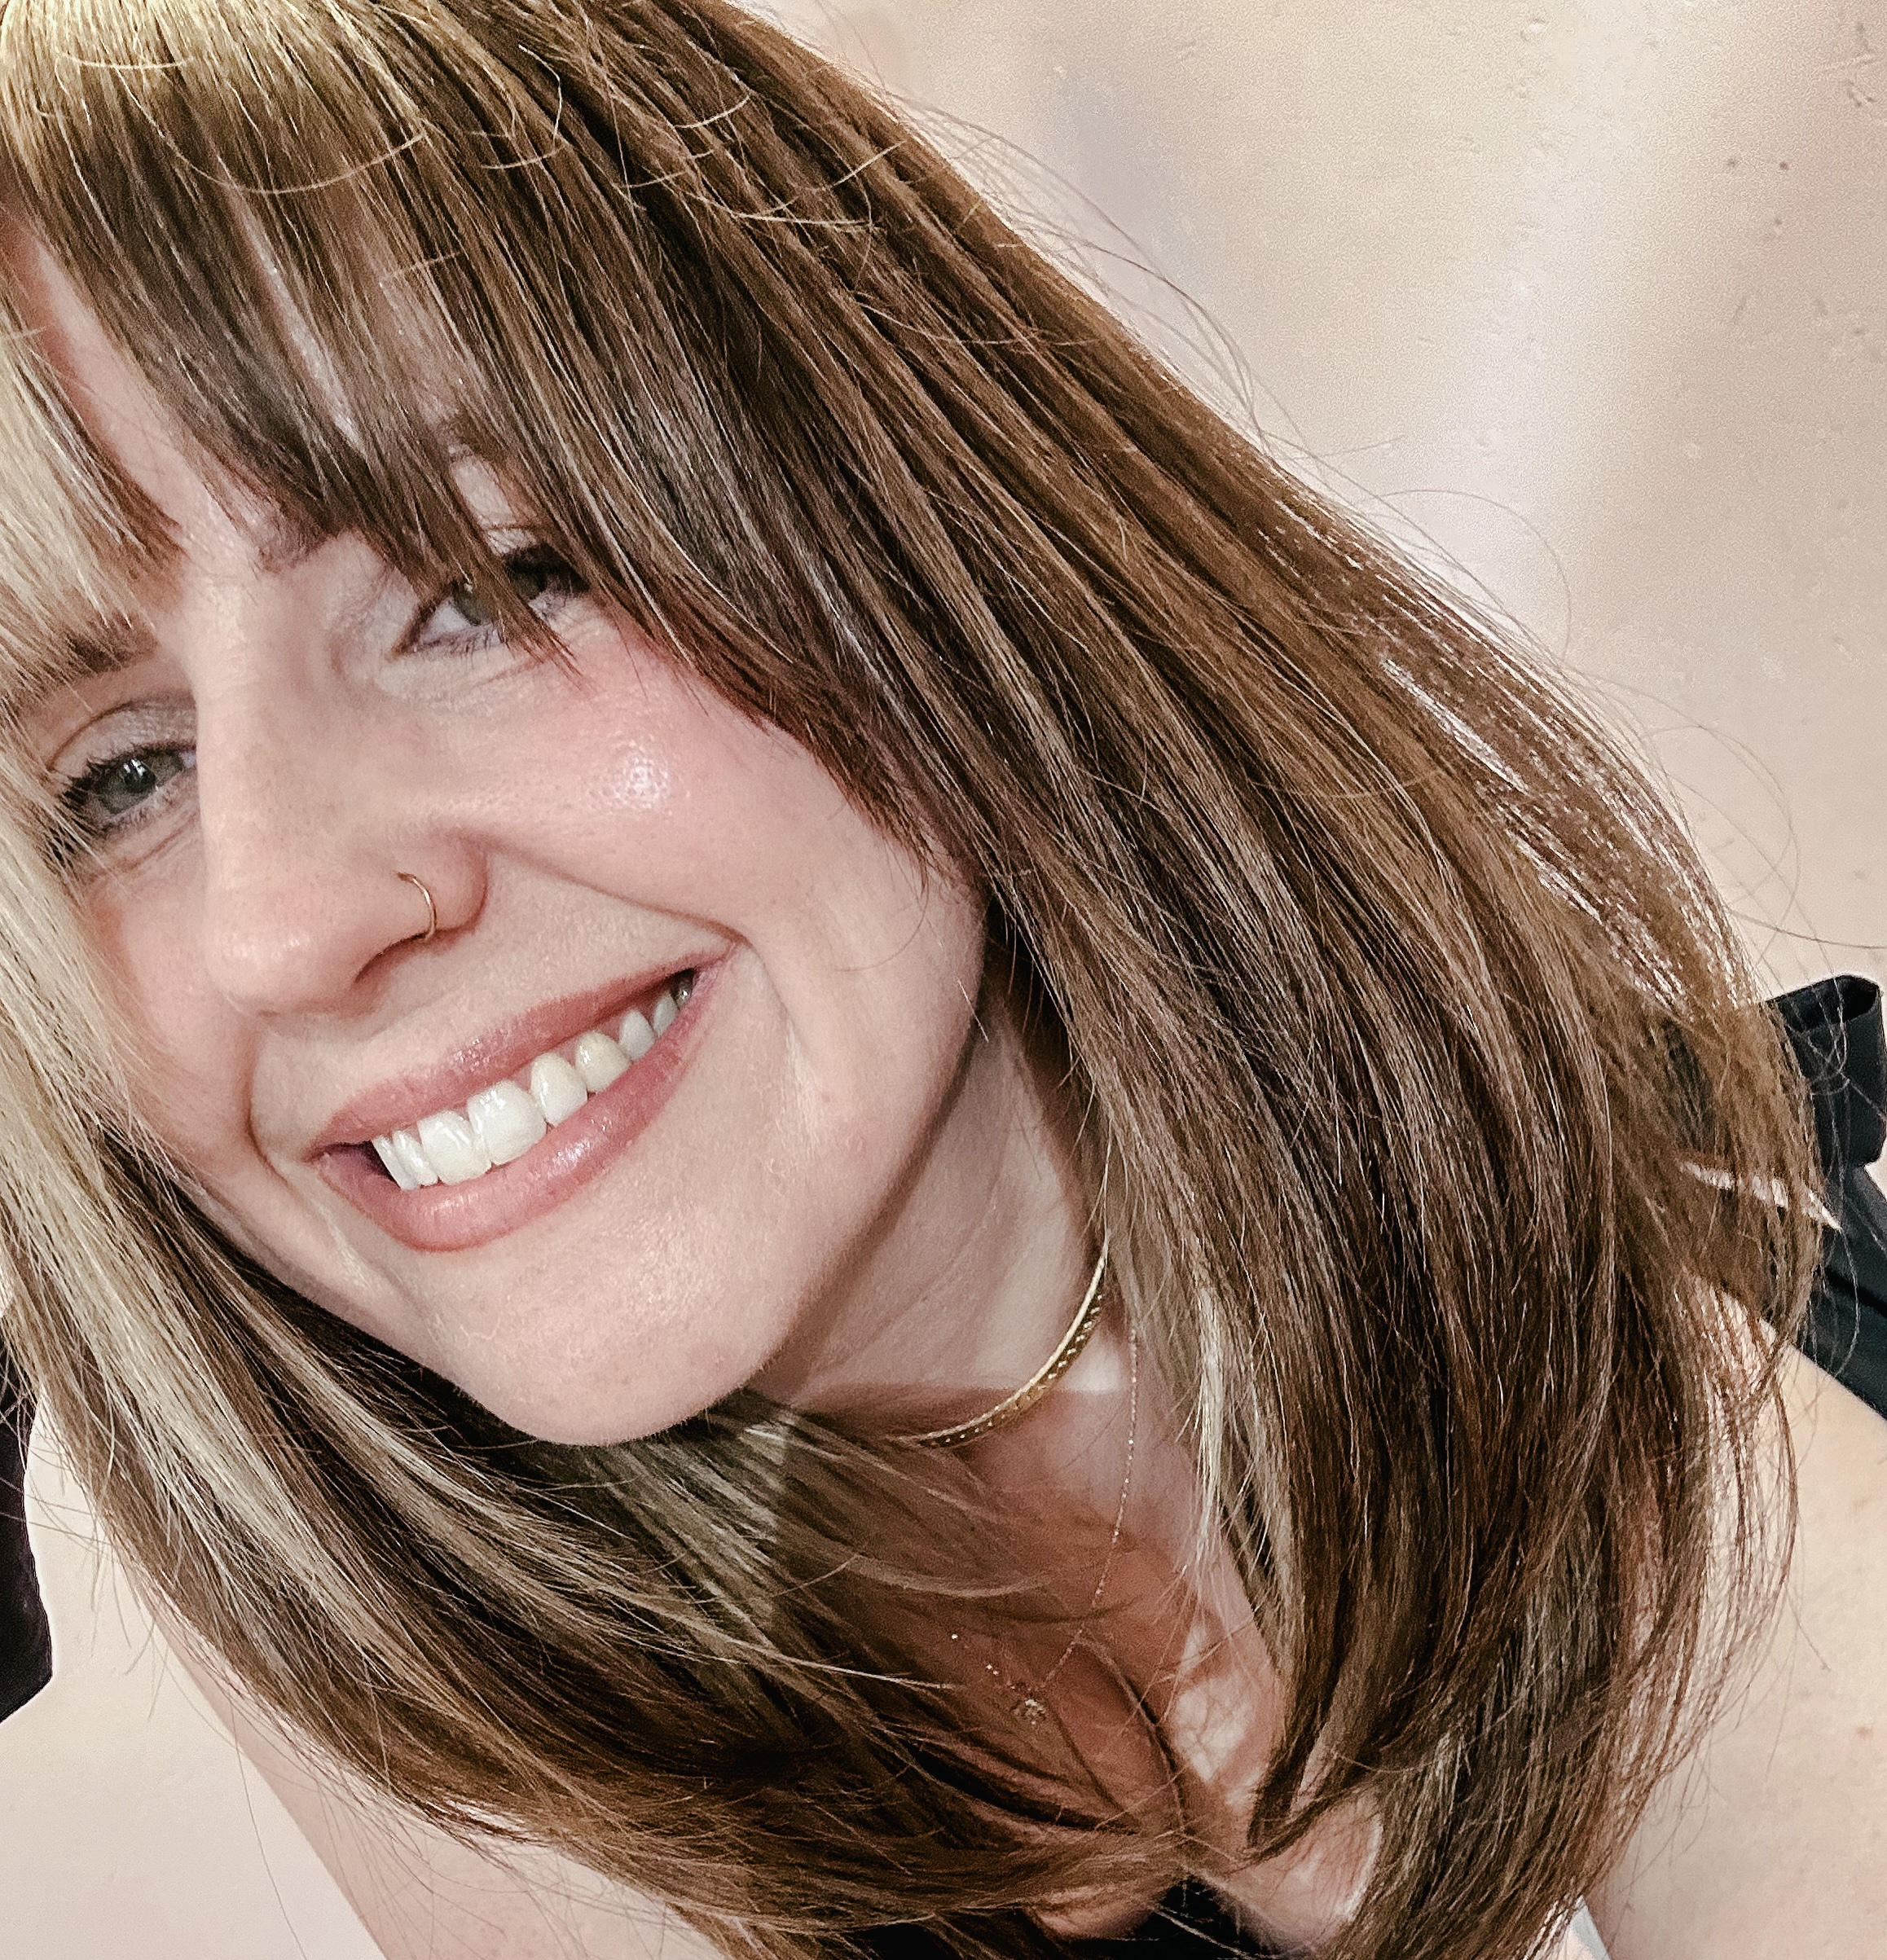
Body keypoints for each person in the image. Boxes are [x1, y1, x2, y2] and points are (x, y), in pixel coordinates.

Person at [0, 2, 1879, 1955]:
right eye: (121, 778)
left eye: (484, 590)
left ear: (911, 528)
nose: (283, 923)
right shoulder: (446, 1681)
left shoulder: (1723, 1370)